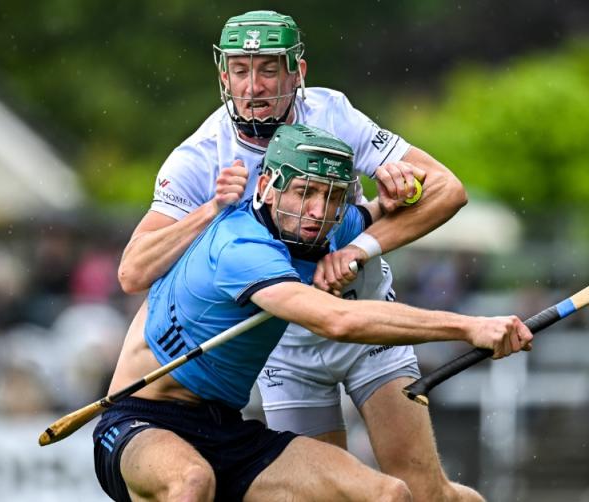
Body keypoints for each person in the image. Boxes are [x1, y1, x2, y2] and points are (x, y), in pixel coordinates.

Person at [116, 10, 479, 500]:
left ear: (297, 73)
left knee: (422, 491)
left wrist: (358, 245)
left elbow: (446, 189)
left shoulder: (331, 113)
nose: (253, 85)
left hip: (366, 316)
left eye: (268, 68)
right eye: (241, 70)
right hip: (285, 346)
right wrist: (211, 209)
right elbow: (134, 270)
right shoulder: (200, 157)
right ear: (223, 75)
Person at [95, 124, 533, 501]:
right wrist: (469, 326)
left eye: (331, 196)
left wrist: (403, 188)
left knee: (390, 494)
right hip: (140, 419)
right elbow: (336, 320)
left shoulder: (323, 223)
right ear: (267, 186)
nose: (318, 212)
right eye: (305, 192)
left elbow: (397, 206)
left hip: (225, 429)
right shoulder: (241, 247)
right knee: (191, 483)